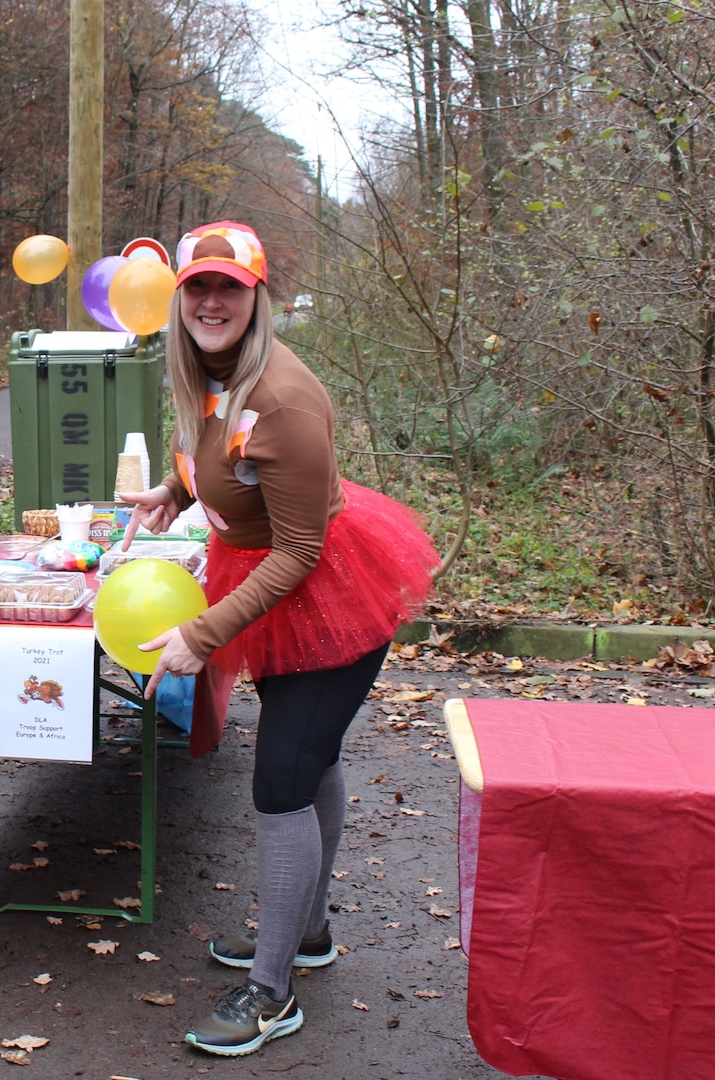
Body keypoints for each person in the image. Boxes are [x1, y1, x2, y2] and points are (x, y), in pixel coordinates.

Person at [119, 223, 439, 1057]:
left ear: (258, 295)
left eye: (230, 287)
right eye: (198, 287)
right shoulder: (208, 375)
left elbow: (301, 550)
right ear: (179, 297)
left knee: (281, 781)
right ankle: (308, 931)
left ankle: (272, 992)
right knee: (313, 759)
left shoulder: (285, 399)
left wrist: (202, 631)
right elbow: (221, 459)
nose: (213, 302)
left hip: (328, 592)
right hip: (273, 583)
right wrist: (174, 492)